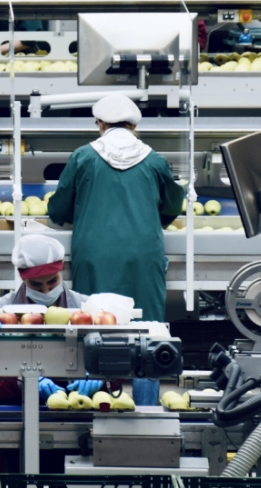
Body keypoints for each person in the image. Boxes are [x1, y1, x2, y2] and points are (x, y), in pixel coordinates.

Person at [46, 94, 185, 406]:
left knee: (92, 330)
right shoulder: (154, 159)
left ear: (100, 124)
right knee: (147, 330)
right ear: (134, 126)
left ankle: (96, 403)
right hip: (142, 255)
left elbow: (58, 209)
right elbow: (173, 205)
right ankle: (147, 409)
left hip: (94, 255)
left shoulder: (83, 157)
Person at [0, 234, 96, 473]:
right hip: (15, 413)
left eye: (53, 281)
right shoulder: (0, 313)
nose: (46, 290)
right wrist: (23, 382)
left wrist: (98, 377)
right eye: (37, 285)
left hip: (74, 414)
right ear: (22, 278)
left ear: (62, 273)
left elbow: (116, 363)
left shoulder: (86, 309)